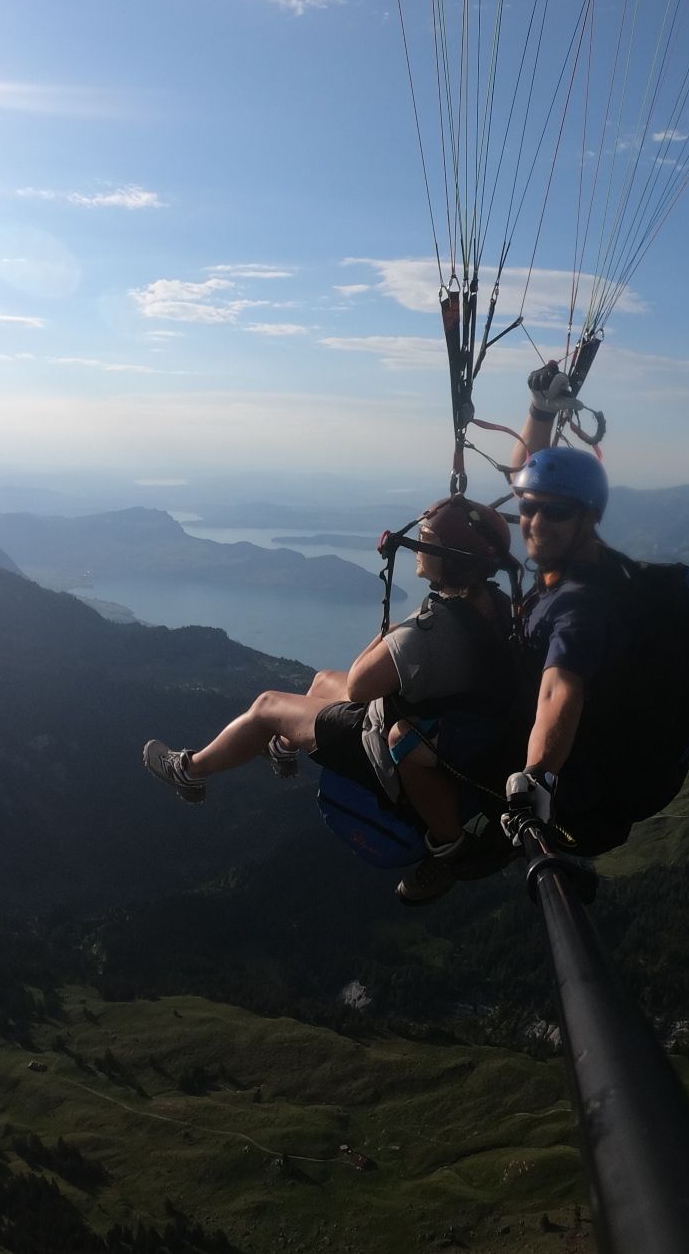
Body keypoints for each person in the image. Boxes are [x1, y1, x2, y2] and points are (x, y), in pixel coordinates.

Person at [141, 495, 516, 904]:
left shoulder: (429, 632)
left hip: (382, 738)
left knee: (267, 705)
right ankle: (284, 748)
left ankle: (189, 771)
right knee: (320, 680)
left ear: (450, 560)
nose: (418, 548)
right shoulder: (493, 605)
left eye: (426, 540)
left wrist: (389, 634)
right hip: (438, 720)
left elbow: (358, 686)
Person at [498, 363, 630, 844]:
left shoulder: (580, 602)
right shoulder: (587, 566)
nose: (534, 521)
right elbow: (526, 474)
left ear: (588, 517)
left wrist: (536, 778)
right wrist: (539, 411)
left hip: (564, 783)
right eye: (527, 507)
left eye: (554, 511)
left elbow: (559, 690)